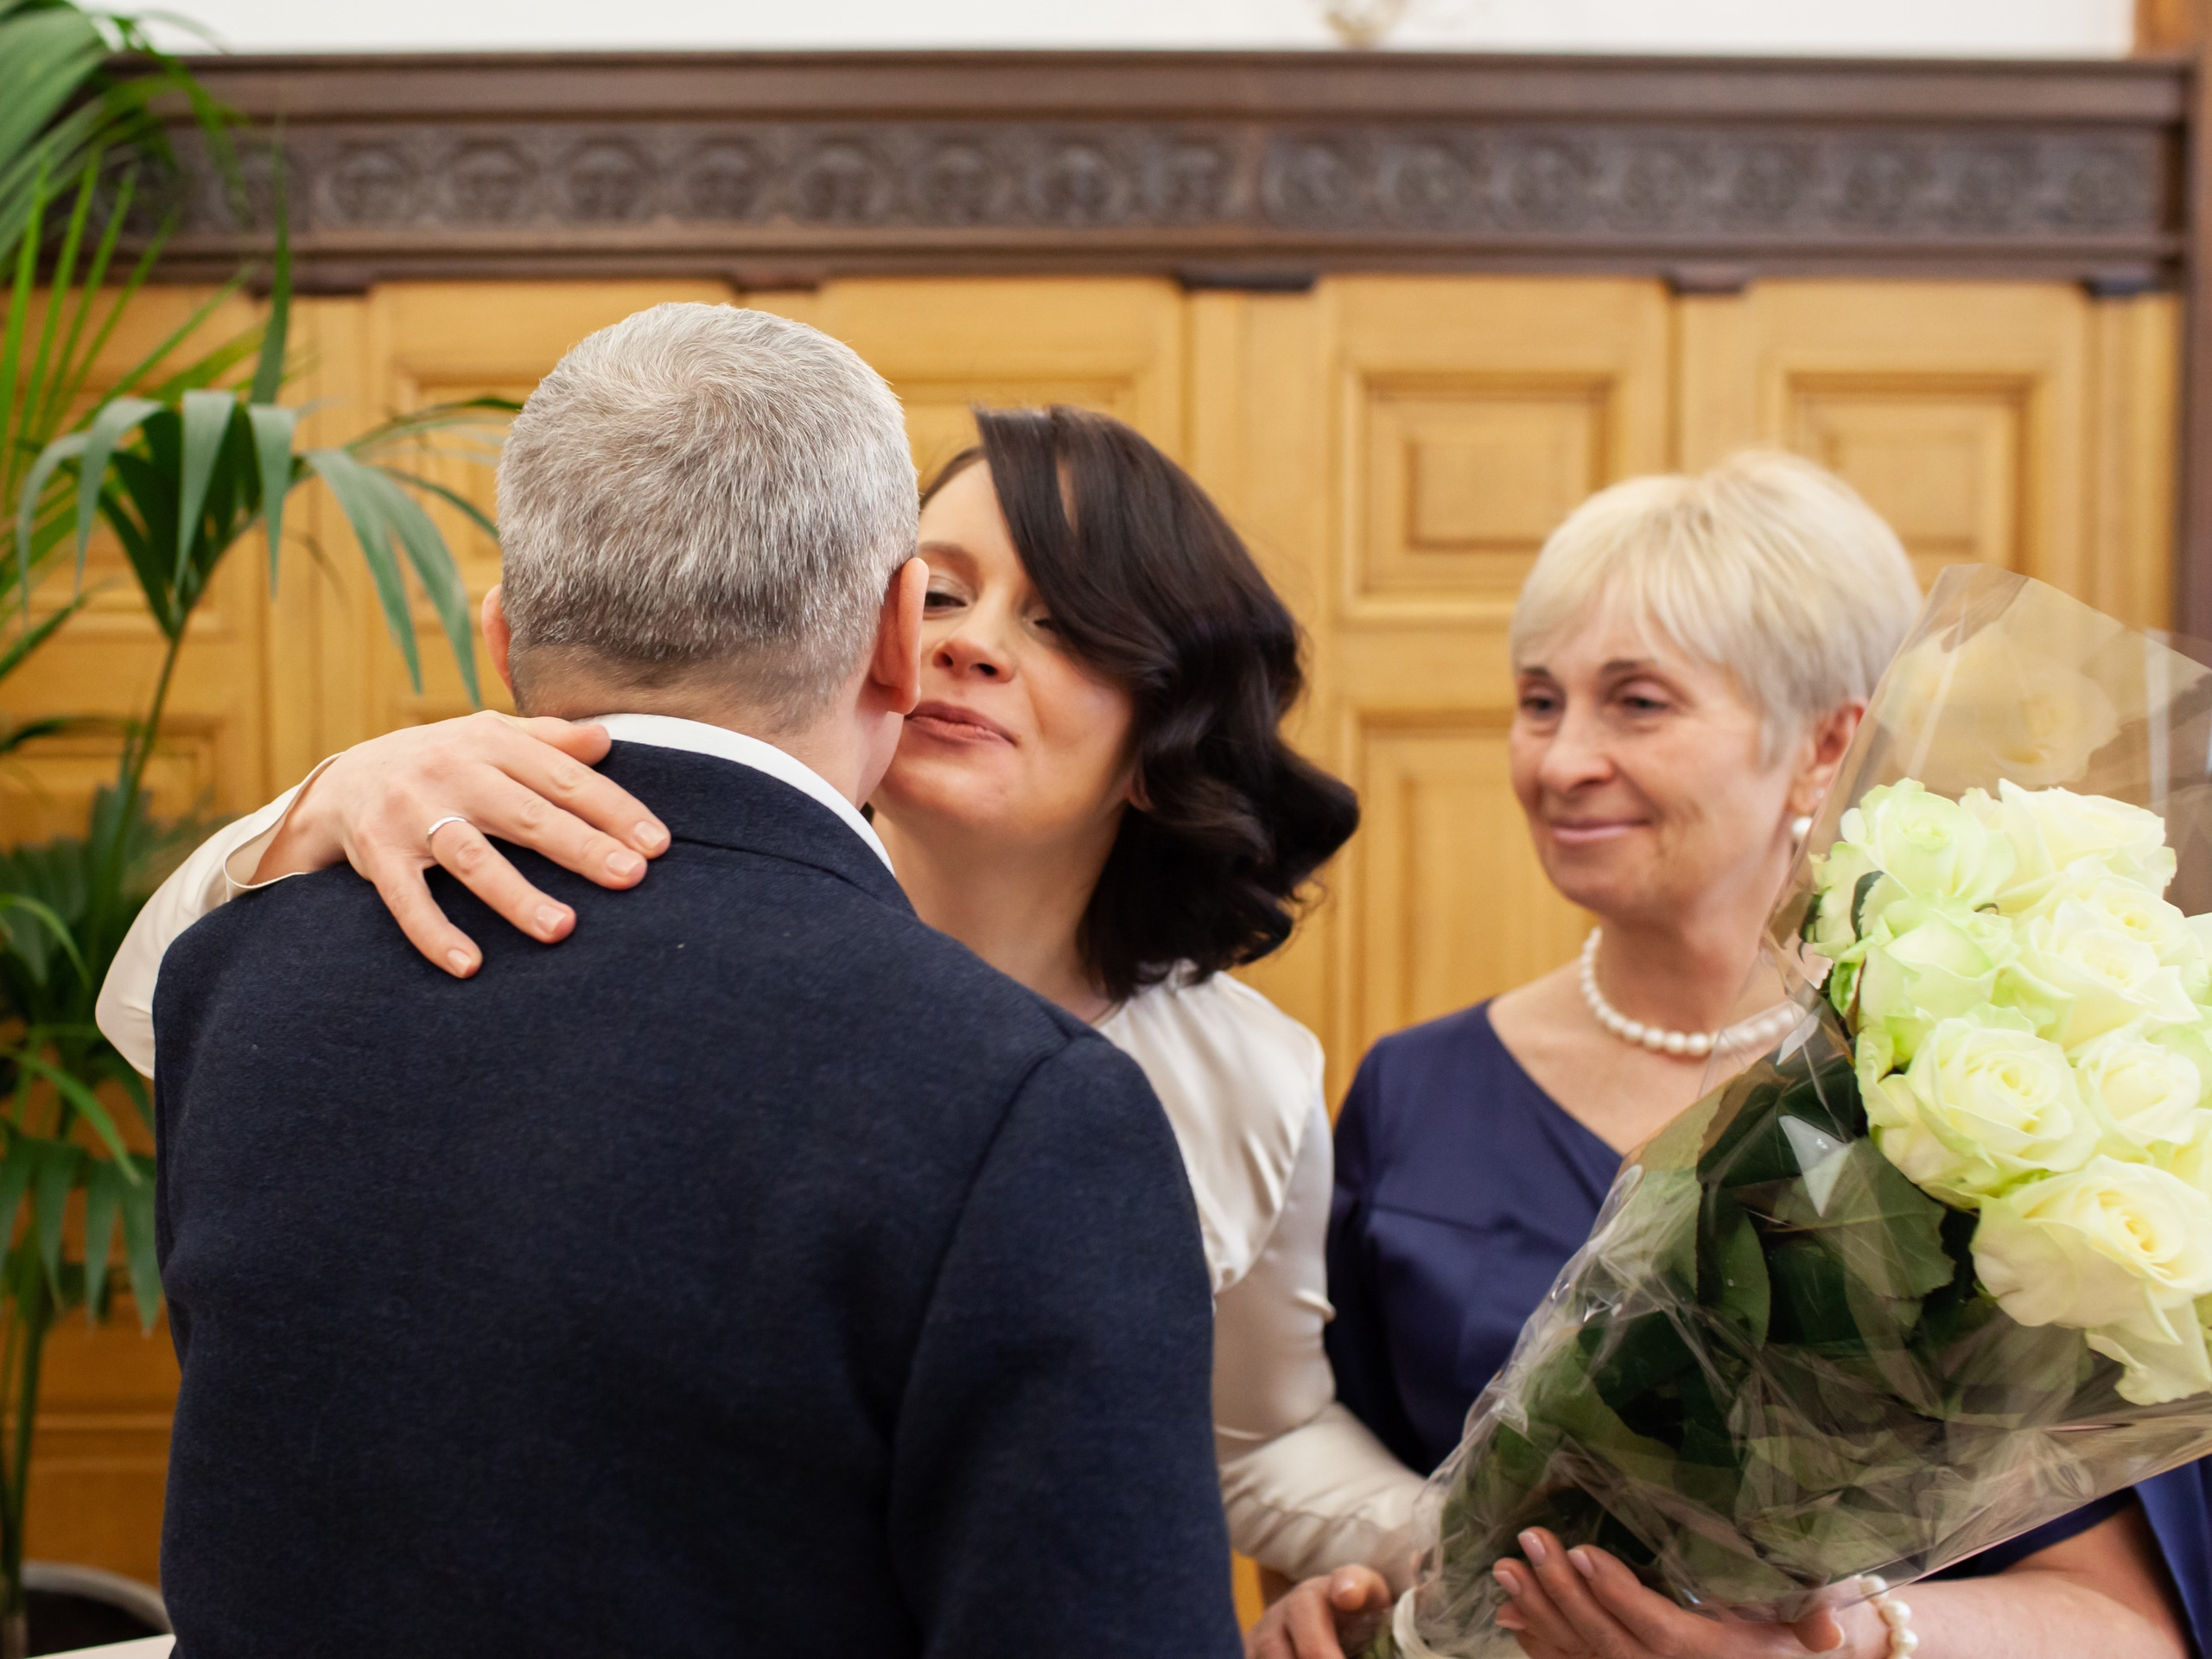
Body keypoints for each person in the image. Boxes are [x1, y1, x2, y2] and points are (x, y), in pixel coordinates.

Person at [103, 404, 1427, 1587]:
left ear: (1166, 736)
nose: (970, 649)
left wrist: (1496, 1545)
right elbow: (162, 1007)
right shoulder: (622, 888)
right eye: (946, 596)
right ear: (880, 641)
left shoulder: (1244, 1075)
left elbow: (1254, 1438)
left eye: (1064, 623)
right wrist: (330, 796)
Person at [1258, 453, 2212, 1658]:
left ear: (1827, 746)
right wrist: (1341, 1594)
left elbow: (2128, 1625)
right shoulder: (1415, 1087)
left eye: (1637, 702)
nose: (1560, 761)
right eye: (1540, 700)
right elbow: (1354, 1486)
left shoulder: (1951, 1110)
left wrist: (1836, 1646)